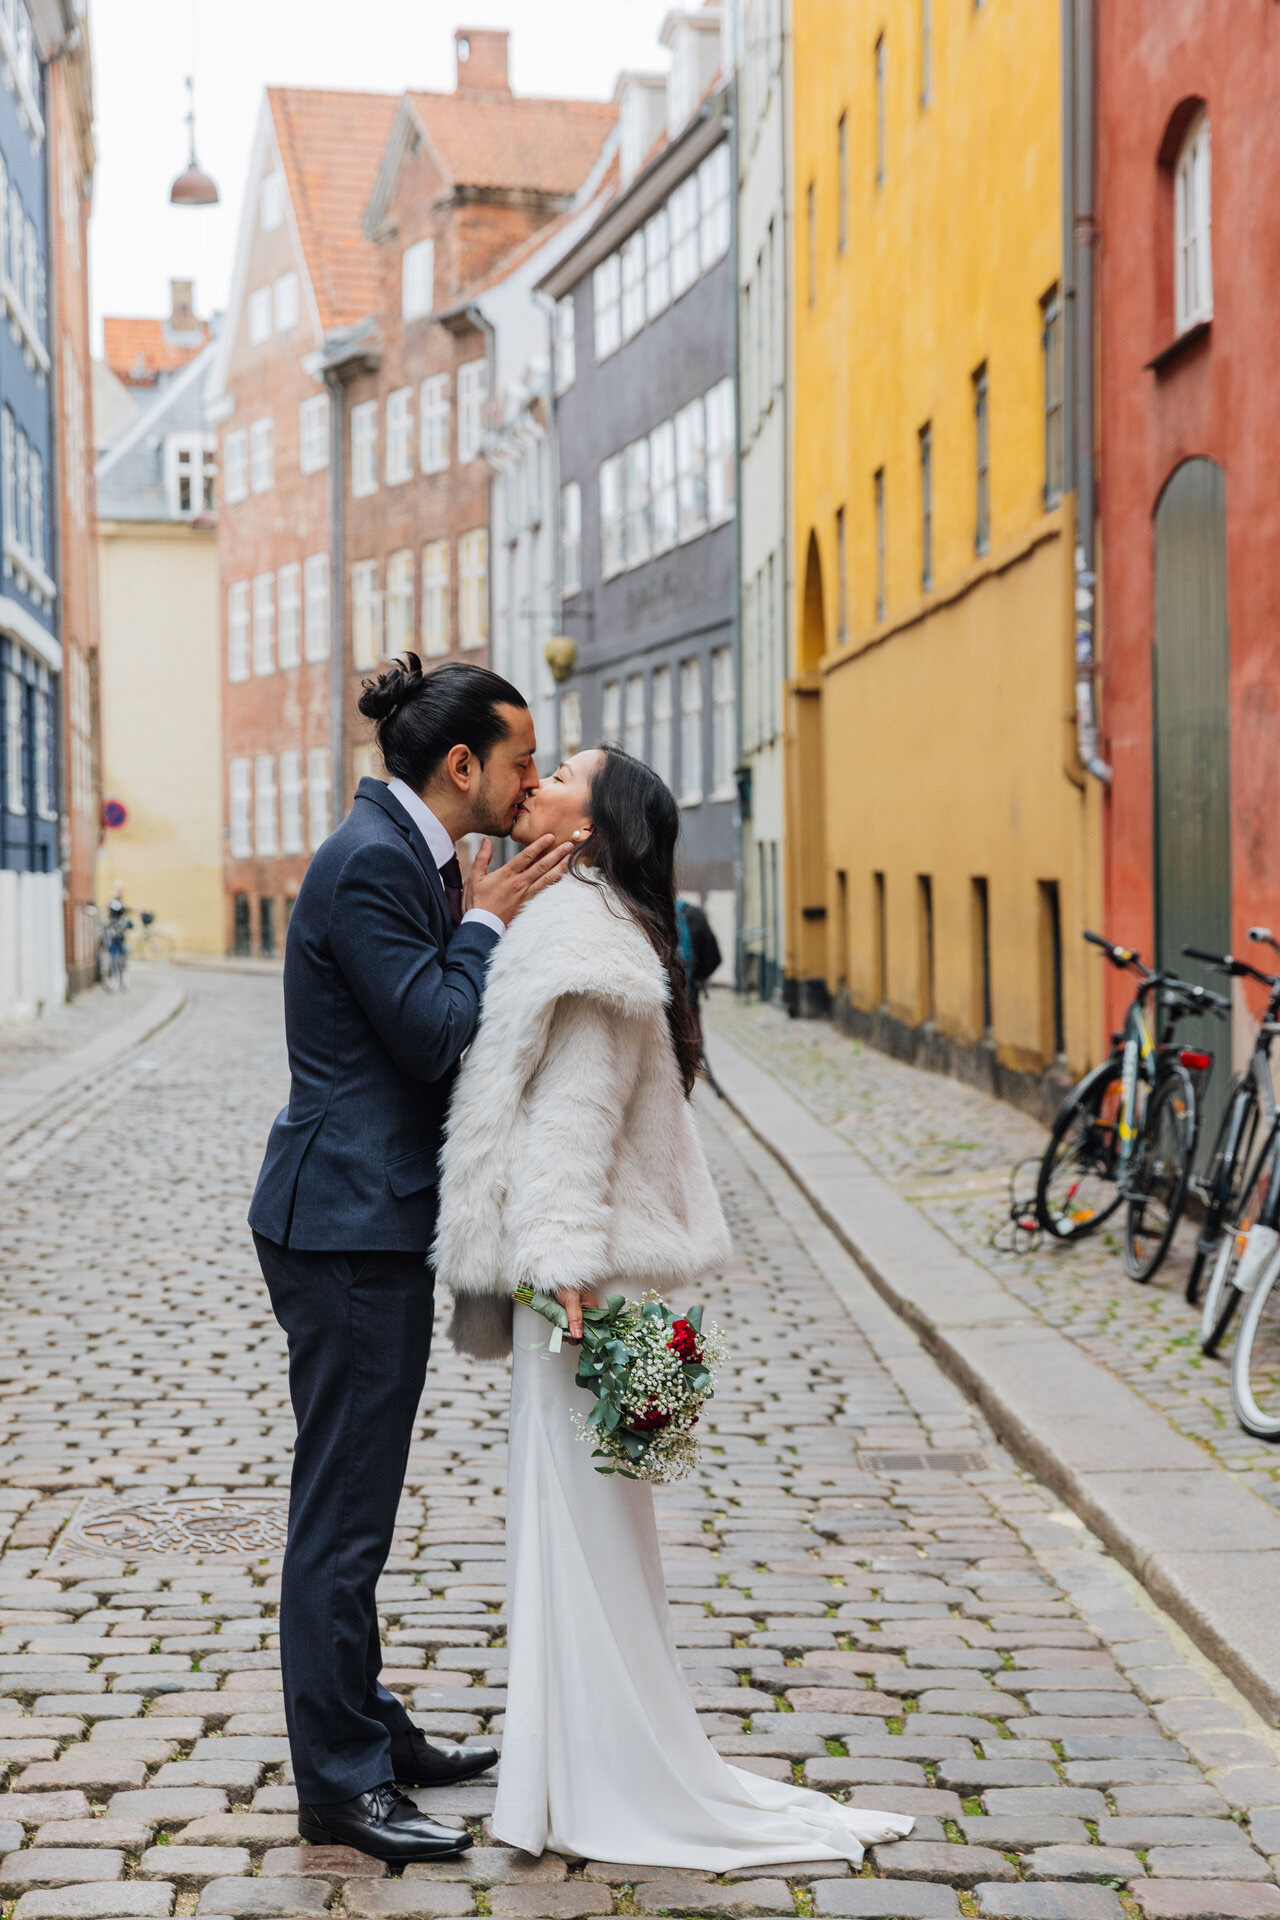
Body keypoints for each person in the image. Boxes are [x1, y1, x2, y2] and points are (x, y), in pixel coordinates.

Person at [434, 745, 914, 1868]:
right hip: (565, 1268)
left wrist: (561, 1263)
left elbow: (576, 1115)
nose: (535, 778)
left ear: (589, 828)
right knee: (574, 1523)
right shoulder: (573, 916)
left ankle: (600, 1775)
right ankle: (572, 1766)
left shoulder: (585, 936)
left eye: (561, 774)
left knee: (577, 1525)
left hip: (571, 1277)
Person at [248, 656, 572, 1865]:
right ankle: (339, 1784)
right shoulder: (376, 862)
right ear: (461, 765)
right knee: (341, 1517)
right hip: (343, 1224)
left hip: (363, 1216)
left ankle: (370, 1730)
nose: (531, 779)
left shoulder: (409, 851)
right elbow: (433, 1034)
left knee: (357, 1509)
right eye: (521, 760)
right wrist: (486, 924)